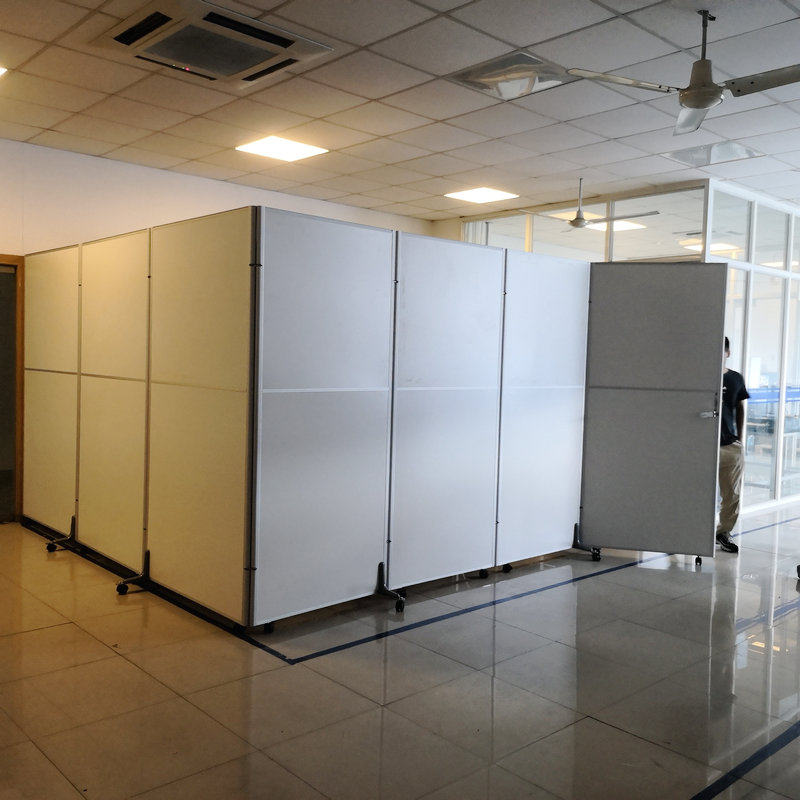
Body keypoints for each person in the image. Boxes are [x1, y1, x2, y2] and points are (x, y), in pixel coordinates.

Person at [717, 336, 749, 553]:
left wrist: (740, 439)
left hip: (729, 445)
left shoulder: (735, 378)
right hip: (701, 447)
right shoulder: (699, 378)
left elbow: (740, 408)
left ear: (728, 353)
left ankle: (723, 532)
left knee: (732, 494)